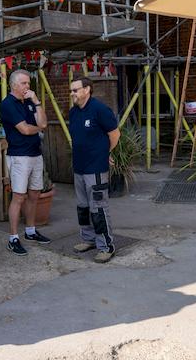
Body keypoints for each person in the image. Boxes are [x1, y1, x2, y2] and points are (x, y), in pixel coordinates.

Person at [68, 76, 120, 263]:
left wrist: (104, 152)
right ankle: (88, 239)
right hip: (79, 167)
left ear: (87, 90)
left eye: (75, 90)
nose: (72, 93)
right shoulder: (73, 112)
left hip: (96, 169)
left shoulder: (100, 109)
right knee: (83, 207)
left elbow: (114, 134)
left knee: (98, 208)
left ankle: (106, 246)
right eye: (71, 90)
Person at [0, 69, 51, 256]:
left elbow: (43, 123)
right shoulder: (8, 104)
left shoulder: (31, 101)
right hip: (19, 156)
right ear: (14, 85)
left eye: (29, 83)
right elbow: (25, 130)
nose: (27, 87)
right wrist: (39, 127)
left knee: (35, 193)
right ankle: (13, 238)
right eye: (24, 83)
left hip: (36, 154)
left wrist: (37, 102)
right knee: (19, 196)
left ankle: (30, 231)